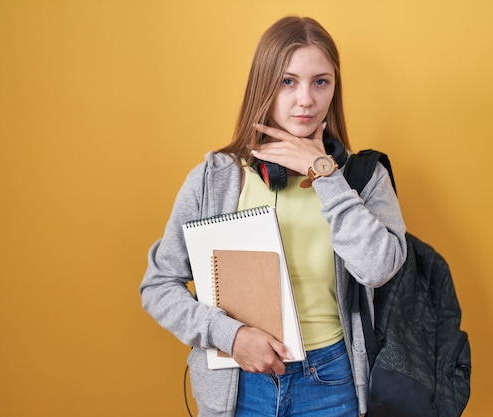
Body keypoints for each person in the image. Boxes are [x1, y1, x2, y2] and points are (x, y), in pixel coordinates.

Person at [140, 16, 407, 417]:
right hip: (238, 385)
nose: (306, 99)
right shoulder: (214, 179)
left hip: (331, 382)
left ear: (335, 89)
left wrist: (325, 174)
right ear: (264, 84)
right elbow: (158, 286)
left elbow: (379, 268)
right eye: (288, 81)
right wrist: (230, 336)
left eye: (321, 81)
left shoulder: (363, 178)